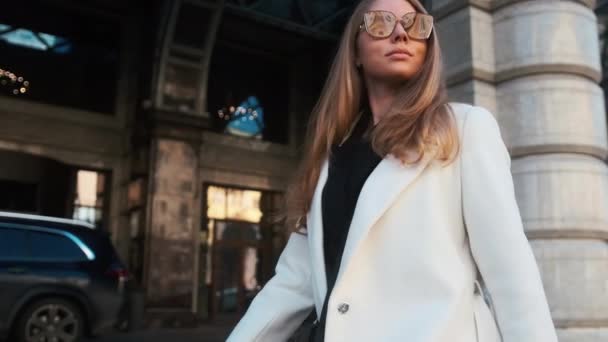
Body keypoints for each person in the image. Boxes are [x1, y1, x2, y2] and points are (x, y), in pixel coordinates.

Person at [227, 0, 558, 341]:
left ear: (428, 47)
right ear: (355, 50)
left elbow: (510, 271)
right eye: (381, 23)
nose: (401, 33)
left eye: (415, 25)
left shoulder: (465, 129)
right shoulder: (330, 156)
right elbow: (292, 283)